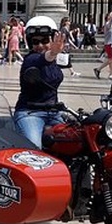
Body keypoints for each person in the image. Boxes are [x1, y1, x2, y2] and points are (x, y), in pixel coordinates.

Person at [13, 16, 66, 148]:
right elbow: (40, 60)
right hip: (30, 112)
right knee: (34, 150)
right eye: (35, 42)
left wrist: (53, 55)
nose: (40, 45)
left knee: (75, 140)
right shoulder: (30, 59)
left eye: (44, 41)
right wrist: (52, 53)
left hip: (54, 112)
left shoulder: (55, 62)